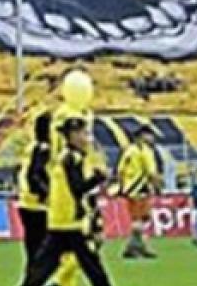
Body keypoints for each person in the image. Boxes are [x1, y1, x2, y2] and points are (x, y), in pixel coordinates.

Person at [20, 113, 113, 286]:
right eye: (83, 133)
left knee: (42, 269)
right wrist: (97, 178)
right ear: (72, 136)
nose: (86, 138)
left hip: (59, 221)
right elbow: (77, 188)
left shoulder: (68, 156)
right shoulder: (72, 158)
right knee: (93, 267)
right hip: (71, 223)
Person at [117, 125, 161, 259]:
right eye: (150, 135)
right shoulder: (145, 150)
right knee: (139, 219)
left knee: (140, 219)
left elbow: (120, 170)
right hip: (140, 188)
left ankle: (140, 247)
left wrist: (122, 187)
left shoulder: (129, 150)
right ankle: (134, 248)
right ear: (143, 136)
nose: (152, 138)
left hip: (129, 189)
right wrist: (158, 187)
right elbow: (151, 172)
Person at [17, 112, 53, 269]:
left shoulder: (32, 147)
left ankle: (32, 277)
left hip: (26, 202)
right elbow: (34, 175)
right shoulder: (43, 149)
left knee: (33, 249)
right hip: (38, 205)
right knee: (44, 251)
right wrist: (46, 193)